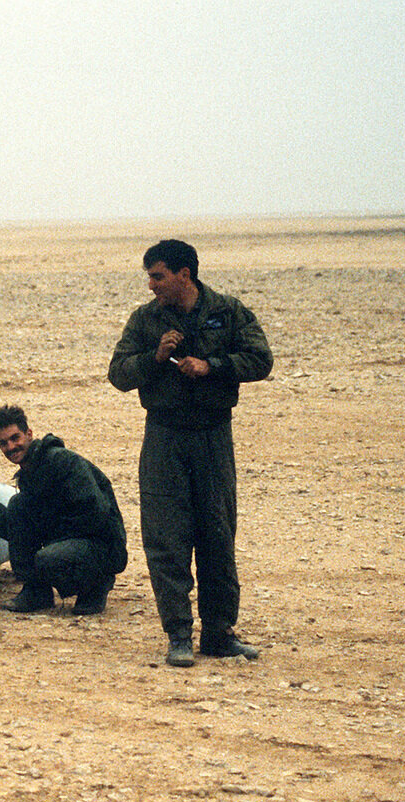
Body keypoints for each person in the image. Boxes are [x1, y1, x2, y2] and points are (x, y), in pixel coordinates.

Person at [107, 239, 272, 667]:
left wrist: (211, 366)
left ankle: (219, 633)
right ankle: (178, 633)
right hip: (164, 438)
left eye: (157, 275)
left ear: (185, 274)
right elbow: (119, 374)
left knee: (217, 535)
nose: (150, 285)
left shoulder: (227, 311)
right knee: (167, 538)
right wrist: (155, 356)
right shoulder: (145, 321)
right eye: (149, 276)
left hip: (213, 437)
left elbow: (260, 359)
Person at [0, 404, 127, 616]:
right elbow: (21, 530)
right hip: (76, 543)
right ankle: (37, 592)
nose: (11, 447)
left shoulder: (62, 462)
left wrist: (51, 539)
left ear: (29, 434)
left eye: (15, 438)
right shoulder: (30, 474)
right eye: (3, 443)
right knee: (18, 505)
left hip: (101, 546)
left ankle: (95, 587)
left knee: (48, 558)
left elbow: (95, 514)